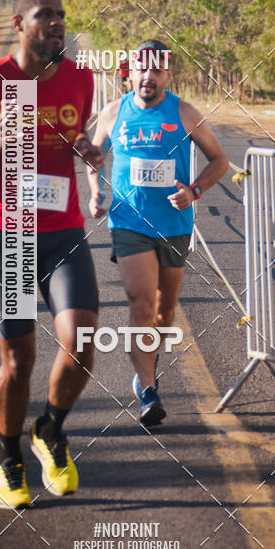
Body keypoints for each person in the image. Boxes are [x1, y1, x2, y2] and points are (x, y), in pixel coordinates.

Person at [0, 0, 102, 510]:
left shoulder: (80, 78)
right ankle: (8, 460)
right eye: (44, 15)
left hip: (61, 228)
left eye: (60, 14)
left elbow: (75, 139)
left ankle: (50, 430)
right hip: (7, 232)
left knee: (81, 340)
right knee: (19, 358)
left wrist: (86, 148)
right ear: (19, 24)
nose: (56, 23)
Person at [87, 40, 228, 426]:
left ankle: (147, 363)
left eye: (156, 70)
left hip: (174, 224)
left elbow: (220, 160)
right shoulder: (114, 112)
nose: (147, 76)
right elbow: (93, 156)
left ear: (167, 75)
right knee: (141, 304)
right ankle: (148, 391)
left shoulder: (184, 112)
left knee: (165, 313)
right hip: (129, 221)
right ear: (129, 72)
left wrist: (194, 191)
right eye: (141, 69)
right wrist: (96, 190)